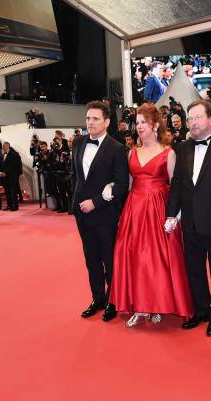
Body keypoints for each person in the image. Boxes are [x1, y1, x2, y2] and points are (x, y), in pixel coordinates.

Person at [109, 103, 193, 327]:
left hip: (158, 209)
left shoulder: (169, 153)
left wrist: (175, 216)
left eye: (143, 122)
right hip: (134, 209)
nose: (139, 127)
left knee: (156, 259)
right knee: (133, 256)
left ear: (155, 125)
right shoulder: (131, 152)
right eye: (137, 123)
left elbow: (176, 187)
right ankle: (139, 305)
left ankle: (158, 305)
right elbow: (126, 185)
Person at [166, 100, 211, 335]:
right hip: (190, 223)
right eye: (189, 118)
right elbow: (177, 185)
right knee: (193, 270)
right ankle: (201, 309)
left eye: (197, 117)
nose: (192, 123)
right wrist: (170, 214)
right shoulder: (182, 148)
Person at [72, 101, 129, 321]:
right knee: (91, 259)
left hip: (104, 213)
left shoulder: (116, 148)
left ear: (106, 122)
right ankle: (97, 299)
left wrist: (95, 202)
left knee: (109, 259)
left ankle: (113, 300)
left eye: (95, 118)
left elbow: (121, 184)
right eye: (88, 118)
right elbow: (75, 177)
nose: (90, 122)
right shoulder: (78, 143)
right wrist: (76, 204)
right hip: (81, 214)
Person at [0, 142, 21, 211]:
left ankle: (15, 206)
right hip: (5, 177)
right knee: (7, 191)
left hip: (12, 176)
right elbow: (3, 165)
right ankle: (9, 205)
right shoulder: (3, 154)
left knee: (13, 191)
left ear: (7, 146)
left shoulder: (13, 154)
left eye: (4, 146)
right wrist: (1, 172)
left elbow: (13, 165)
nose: (2, 147)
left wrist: (6, 172)